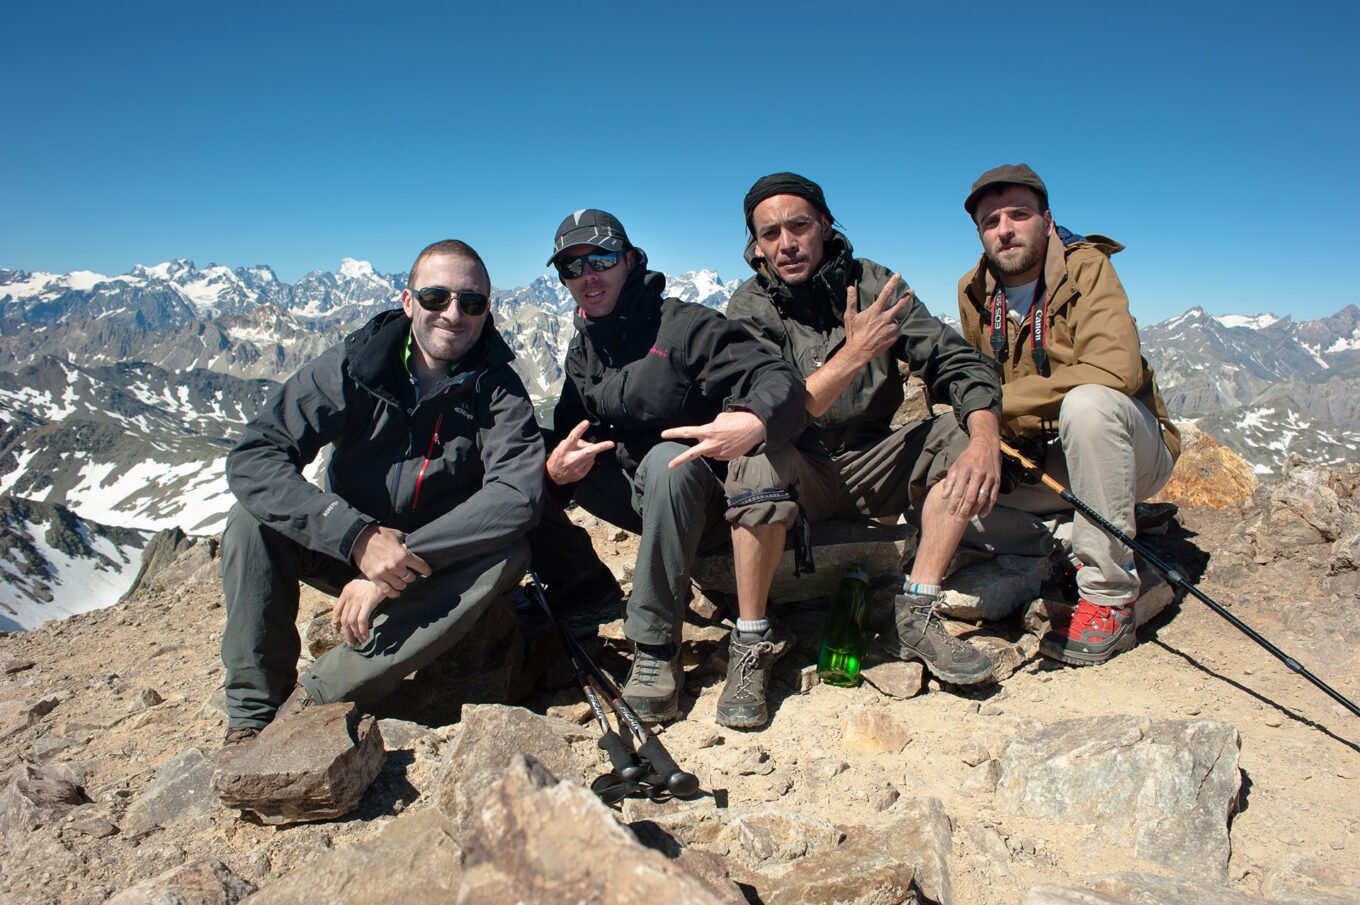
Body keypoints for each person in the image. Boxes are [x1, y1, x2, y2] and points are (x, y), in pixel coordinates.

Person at [725, 172, 1038, 708]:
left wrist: (986, 439)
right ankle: (751, 640)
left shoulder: (875, 286)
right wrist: (853, 353)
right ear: (756, 244)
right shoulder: (750, 308)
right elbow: (772, 415)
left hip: (877, 460)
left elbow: (956, 361)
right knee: (754, 456)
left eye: (799, 225)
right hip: (800, 471)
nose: (787, 243)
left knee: (959, 431)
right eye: (770, 233)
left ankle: (916, 611)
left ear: (825, 224)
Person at [219, 239, 544, 745]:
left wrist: (406, 557)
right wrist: (357, 537)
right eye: (436, 297)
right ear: (408, 301)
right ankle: (253, 719)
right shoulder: (353, 366)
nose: (453, 314)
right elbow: (256, 456)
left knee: (510, 551)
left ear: (486, 311)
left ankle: (317, 698)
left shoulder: (497, 388)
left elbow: (518, 495)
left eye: (472, 302)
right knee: (250, 523)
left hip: (438, 567)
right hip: (351, 547)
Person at [537, 209, 806, 727]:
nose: (587, 276)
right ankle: (576, 588)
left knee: (667, 460)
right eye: (572, 268)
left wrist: (752, 418)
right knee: (531, 460)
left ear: (631, 261)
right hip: (640, 493)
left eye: (602, 259)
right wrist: (553, 468)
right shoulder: (586, 345)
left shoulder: (684, 328)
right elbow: (575, 425)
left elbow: (778, 378)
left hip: (702, 498)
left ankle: (655, 649)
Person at [957, 164, 1180, 666]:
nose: (1004, 229)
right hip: (1045, 458)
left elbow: (1115, 370)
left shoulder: (1087, 268)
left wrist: (998, 404)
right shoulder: (974, 291)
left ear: (1048, 219)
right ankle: (1074, 539)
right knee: (941, 491)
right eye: (990, 221)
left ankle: (1109, 597)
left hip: (1127, 447)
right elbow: (975, 373)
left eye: (1019, 214)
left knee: (1089, 401)